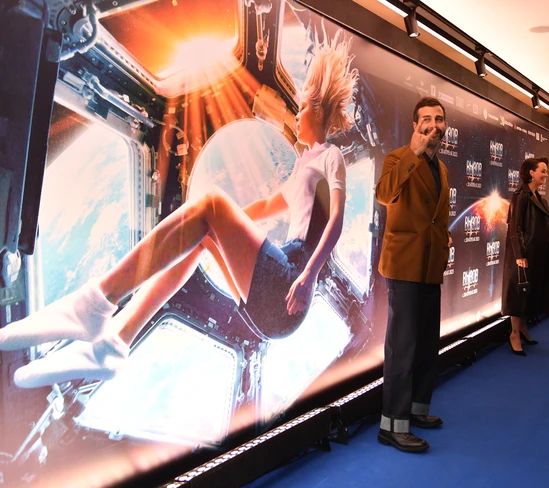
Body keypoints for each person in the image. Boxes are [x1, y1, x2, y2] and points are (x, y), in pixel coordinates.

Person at [0, 31, 359, 388]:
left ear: (320, 112)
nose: (298, 115)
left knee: (212, 201)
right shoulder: (303, 168)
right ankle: (115, 342)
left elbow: (337, 220)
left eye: (304, 107)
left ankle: (96, 302)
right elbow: (266, 206)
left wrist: (308, 276)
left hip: (289, 284)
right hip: (275, 306)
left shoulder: (331, 158)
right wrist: (223, 224)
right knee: (202, 233)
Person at [375, 96, 451, 453]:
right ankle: (392, 425)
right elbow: (385, 194)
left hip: (431, 267)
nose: (434, 125)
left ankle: (417, 409)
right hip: (404, 266)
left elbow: (434, 217)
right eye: (427, 119)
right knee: (402, 348)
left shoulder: (443, 168)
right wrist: (413, 152)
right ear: (415, 125)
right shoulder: (398, 158)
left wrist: (443, 238)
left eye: (439, 119)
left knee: (426, 344)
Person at [503, 158, 549, 355]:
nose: (546, 174)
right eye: (543, 171)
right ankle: (514, 334)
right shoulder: (520, 195)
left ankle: (523, 328)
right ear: (531, 173)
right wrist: (519, 254)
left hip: (537, 254)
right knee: (518, 296)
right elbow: (515, 227)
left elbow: (543, 224)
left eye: (546, 171)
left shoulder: (539, 197)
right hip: (524, 255)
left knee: (528, 294)